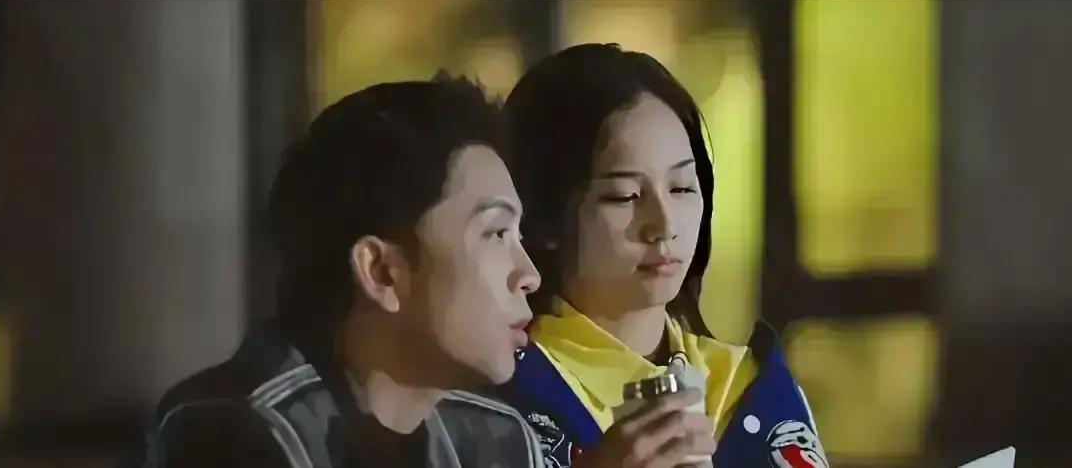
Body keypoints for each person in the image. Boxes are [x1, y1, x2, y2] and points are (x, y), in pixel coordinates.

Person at [123, 75, 545, 467]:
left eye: (519, 236)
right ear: (381, 272)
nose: (529, 275)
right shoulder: (235, 435)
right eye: (496, 233)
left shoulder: (498, 441)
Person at [498, 43, 827, 468]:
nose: (665, 225)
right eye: (624, 196)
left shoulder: (751, 390)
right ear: (541, 216)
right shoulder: (496, 401)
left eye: (682, 188)